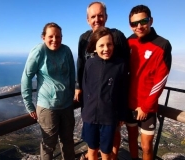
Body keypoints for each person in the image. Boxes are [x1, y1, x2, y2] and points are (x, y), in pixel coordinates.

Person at [74, 2, 130, 160]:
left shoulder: (117, 36)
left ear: (106, 17)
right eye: (93, 16)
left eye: (100, 15)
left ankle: (114, 156)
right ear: (87, 19)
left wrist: (121, 110)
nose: (97, 19)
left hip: (110, 107)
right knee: (92, 146)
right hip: (92, 108)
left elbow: (124, 71)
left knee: (111, 139)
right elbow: (81, 65)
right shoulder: (84, 39)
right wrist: (78, 87)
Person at [21, 22, 76, 160]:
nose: (54, 40)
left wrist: (73, 92)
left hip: (67, 105)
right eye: (51, 36)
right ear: (43, 37)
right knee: (48, 145)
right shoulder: (39, 51)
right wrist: (28, 104)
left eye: (58, 36)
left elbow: (71, 74)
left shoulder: (66, 50)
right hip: (47, 106)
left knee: (68, 141)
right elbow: (26, 77)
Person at [126, 5, 172, 160]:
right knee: (132, 139)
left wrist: (146, 106)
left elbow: (161, 79)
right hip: (129, 102)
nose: (139, 26)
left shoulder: (162, 45)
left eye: (143, 21)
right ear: (130, 25)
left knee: (146, 146)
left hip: (147, 107)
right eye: (134, 23)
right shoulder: (129, 42)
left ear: (151, 20)